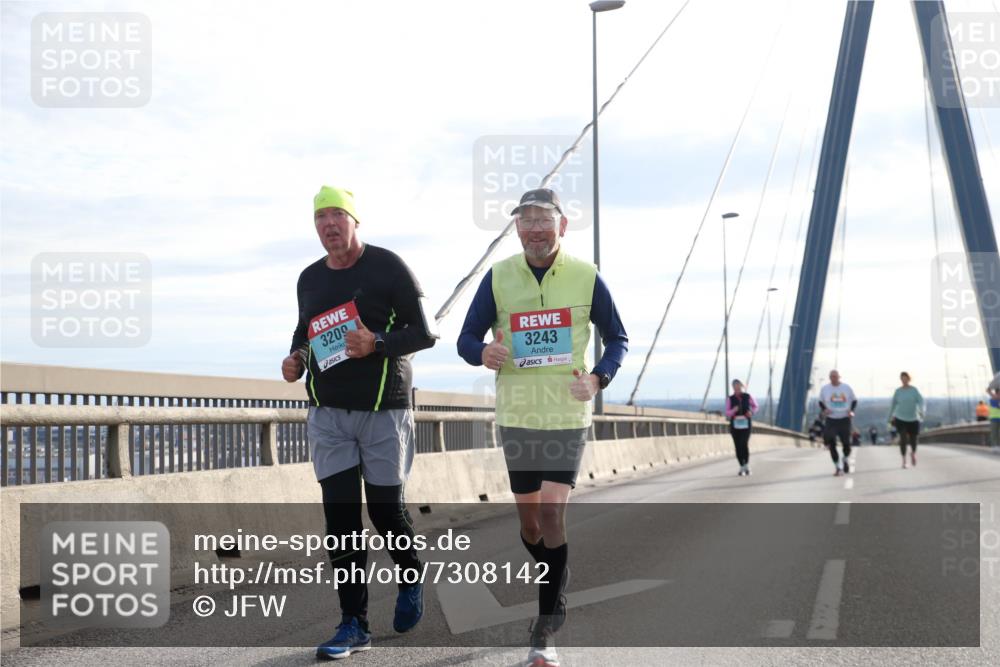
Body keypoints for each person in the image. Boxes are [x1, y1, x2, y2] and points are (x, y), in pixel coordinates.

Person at [457, 188, 628, 667]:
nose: (534, 229)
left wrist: (598, 377)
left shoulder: (586, 276)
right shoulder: (498, 277)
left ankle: (544, 629)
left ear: (562, 226)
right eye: (525, 220)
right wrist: (481, 352)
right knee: (530, 525)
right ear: (516, 228)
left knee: (552, 514)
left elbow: (617, 338)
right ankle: (557, 570)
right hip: (517, 415)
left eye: (542, 220)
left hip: (566, 416)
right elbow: (466, 338)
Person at [282, 185, 438, 660]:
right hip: (328, 413)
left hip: (383, 409)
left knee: (386, 512)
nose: (329, 224)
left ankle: (410, 575)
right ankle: (354, 623)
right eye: (320, 217)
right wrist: (296, 358)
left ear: (354, 221)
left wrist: (379, 343)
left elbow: (424, 333)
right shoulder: (309, 278)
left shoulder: (388, 266)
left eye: (337, 215)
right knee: (342, 519)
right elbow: (305, 331)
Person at [819, 370, 857, 476]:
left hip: (844, 418)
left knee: (847, 444)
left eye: (835, 376)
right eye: (831, 377)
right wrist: (824, 410)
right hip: (831, 419)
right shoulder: (825, 389)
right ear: (829, 378)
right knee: (831, 442)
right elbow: (820, 401)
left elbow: (854, 400)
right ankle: (838, 467)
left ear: (839, 377)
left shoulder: (846, 388)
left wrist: (851, 410)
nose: (833, 378)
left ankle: (844, 459)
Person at [888, 371, 924, 469]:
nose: (904, 380)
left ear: (909, 379)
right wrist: (889, 417)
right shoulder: (898, 391)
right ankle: (904, 460)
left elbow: (921, 402)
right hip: (900, 418)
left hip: (913, 418)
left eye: (905, 378)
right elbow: (893, 405)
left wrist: (922, 411)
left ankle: (913, 453)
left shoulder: (914, 390)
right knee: (903, 439)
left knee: (913, 440)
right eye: (902, 378)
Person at [725, 379, 758, 476]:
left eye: (738, 386)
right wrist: (733, 410)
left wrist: (751, 412)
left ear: (741, 386)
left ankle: (746, 465)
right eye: (735, 386)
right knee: (737, 446)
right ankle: (741, 466)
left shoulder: (748, 396)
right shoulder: (730, 399)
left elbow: (756, 406)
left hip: (746, 424)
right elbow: (727, 412)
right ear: (733, 387)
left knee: (744, 444)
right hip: (735, 425)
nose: (737, 388)